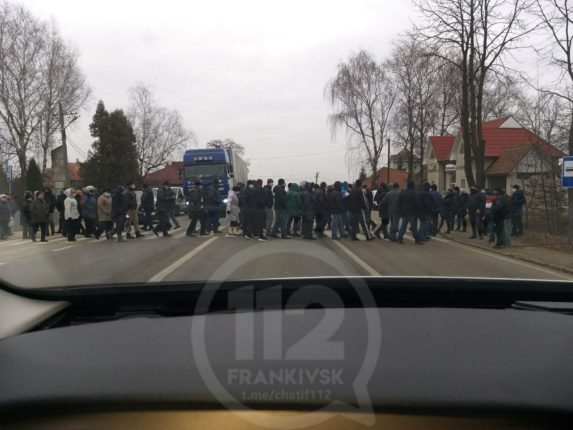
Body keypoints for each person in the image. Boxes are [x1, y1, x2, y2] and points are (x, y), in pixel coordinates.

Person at [398, 180, 422, 244]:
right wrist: (418, 211)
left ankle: (400, 238)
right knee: (414, 226)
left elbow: (400, 202)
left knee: (404, 225)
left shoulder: (403, 192)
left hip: (404, 211)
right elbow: (417, 203)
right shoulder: (414, 193)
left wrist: (401, 210)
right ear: (412, 186)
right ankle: (417, 239)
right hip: (412, 212)